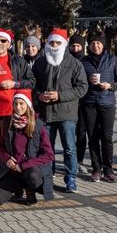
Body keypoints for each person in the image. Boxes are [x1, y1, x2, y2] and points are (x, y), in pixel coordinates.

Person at [32, 28, 88, 193]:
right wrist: (38, 95)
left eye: (57, 42)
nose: (54, 45)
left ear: (64, 44)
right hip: (46, 112)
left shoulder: (74, 63)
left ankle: (71, 177)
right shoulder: (41, 62)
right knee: (46, 148)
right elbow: (33, 84)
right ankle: (48, 176)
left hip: (66, 113)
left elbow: (82, 87)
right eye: (51, 42)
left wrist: (60, 95)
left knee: (69, 147)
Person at [0, 28, 35, 171]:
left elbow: (31, 81)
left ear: (8, 43)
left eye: (3, 41)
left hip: (13, 111)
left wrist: (15, 84)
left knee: (12, 146)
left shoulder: (17, 60)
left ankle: (12, 177)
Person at [0, 89, 54, 205]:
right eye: (15, 103)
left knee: (33, 177)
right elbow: (0, 147)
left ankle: (30, 189)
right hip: (13, 170)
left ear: (28, 105)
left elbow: (49, 155)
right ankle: (18, 187)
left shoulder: (38, 125)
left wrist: (24, 165)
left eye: (21, 103)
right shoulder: (7, 123)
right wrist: (7, 159)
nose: (18, 107)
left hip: (30, 169)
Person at [79, 34, 117, 183]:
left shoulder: (112, 60)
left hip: (107, 104)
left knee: (106, 138)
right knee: (92, 137)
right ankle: (96, 169)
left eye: (99, 43)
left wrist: (110, 86)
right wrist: (87, 80)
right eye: (93, 43)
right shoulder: (83, 61)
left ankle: (108, 170)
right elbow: (77, 81)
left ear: (103, 45)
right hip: (89, 103)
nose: (96, 46)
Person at [68, 33, 90, 173]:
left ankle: (79, 160)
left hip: (84, 102)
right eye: (73, 46)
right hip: (69, 101)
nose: (75, 49)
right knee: (69, 132)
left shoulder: (86, 61)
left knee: (81, 132)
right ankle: (70, 159)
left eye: (78, 46)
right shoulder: (66, 60)